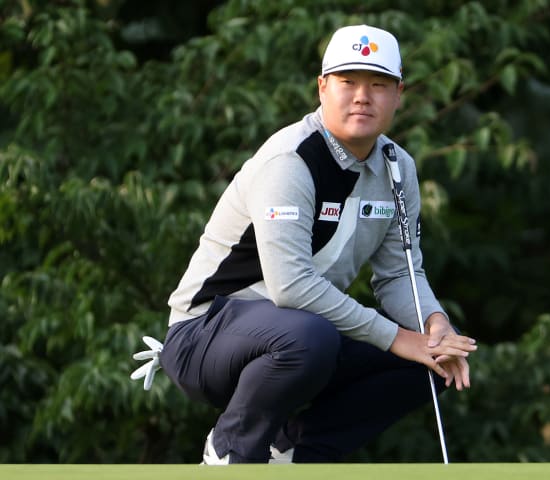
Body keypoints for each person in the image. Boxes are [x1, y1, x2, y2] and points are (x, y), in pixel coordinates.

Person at [156, 24, 477, 464]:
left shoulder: (397, 167)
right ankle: (231, 450)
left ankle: (291, 453)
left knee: (430, 361)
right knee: (313, 337)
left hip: (301, 332)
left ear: (399, 93)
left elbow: (400, 272)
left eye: (378, 84)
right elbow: (290, 287)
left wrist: (434, 326)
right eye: (348, 82)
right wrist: (396, 336)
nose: (362, 96)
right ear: (323, 87)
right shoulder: (292, 158)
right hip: (204, 334)